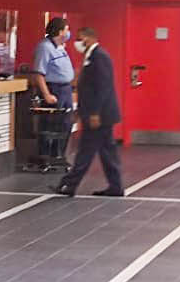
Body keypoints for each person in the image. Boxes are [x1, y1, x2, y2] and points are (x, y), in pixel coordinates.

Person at [56, 26, 125, 197]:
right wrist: (80, 110)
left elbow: (102, 87)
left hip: (99, 115)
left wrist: (94, 113)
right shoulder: (91, 56)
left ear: (89, 38)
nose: (78, 43)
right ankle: (115, 186)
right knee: (106, 152)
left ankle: (69, 184)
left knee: (86, 151)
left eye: (80, 39)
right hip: (98, 114)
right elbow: (87, 88)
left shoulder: (99, 56)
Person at [29, 18, 75, 171]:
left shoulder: (60, 47)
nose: (68, 33)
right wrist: (46, 94)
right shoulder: (45, 47)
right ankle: (45, 157)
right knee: (49, 125)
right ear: (60, 31)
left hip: (66, 89)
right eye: (66, 30)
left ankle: (58, 155)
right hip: (53, 89)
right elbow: (39, 73)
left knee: (65, 123)